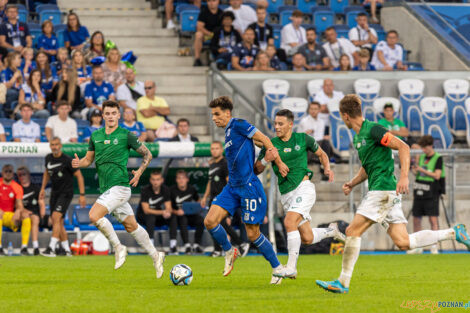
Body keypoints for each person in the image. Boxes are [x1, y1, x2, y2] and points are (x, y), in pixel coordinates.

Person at [315, 94, 470, 294]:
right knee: (403, 242)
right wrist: (352, 183)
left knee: (352, 232)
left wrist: (405, 176)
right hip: (385, 192)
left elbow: (403, 147)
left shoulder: (374, 129)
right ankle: (453, 232)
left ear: (345, 116)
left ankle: (343, 282)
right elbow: (367, 166)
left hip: (383, 190)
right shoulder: (359, 136)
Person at [71, 100, 165, 277]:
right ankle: (156, 254)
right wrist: (79, 163)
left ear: (119, 115)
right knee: (131, 226)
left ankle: (118, 247)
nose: (110, 116)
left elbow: (148, 154)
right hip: (106, 189)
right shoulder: (95, 136)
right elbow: (88, 160)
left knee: (94, 215)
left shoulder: (126, 135)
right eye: (107, 113)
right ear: (102, 115)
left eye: (114, 113)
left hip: (121, 187)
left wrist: (139, 173)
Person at [204, 96, 289, 284]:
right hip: (232, 187)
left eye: (217, 114)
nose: (214, 118)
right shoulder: (227, 133)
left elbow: (264, 139)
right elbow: (255, 152)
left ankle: (277, 268)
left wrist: (279, 162)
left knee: (252, 234)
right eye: (212, 115)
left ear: (228, 113)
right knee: (210, 221)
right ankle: (230, 251)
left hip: (249, 187)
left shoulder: (239, 124)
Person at [254, 109, 344, 279]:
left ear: (290, 124)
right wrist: (266, 159)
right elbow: (256, 169)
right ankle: (331, 231)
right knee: (307, 238)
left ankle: (291, 267)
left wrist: (327, 168)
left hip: (304, 188)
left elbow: (322, 154)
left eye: (280, 124)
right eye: (275, 123)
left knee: (289, 222)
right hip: (286, 195)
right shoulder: (270, 144)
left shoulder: (303, 139)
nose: (277, 127)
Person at [201, 141, 250, 257]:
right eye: (212, 148)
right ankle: (218, 249)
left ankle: (241, 244)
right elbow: (210, 182)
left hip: (223, 198)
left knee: (222, 223)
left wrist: (231, 199)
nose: (214, 150)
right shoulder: (212, 164)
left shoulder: (225, 163)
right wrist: (204, 197)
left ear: (221, 150)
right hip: (213, 198)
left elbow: (230, 182)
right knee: (212, 223)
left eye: (217, 148)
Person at [40, 137, 86, 257]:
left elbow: (79, 176)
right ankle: (67, 250)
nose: (54, 147)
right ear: (50, 146)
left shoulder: (67, 160)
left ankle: (51, 248)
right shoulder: (48, 158)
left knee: (55, 217)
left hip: (66, 193)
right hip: (54, 193)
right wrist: (42, 188)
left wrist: (82, 195)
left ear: (60, 145)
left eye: (56, 144)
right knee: (58, 222)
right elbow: (46, 173)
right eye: (52, 145)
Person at [409, 135, 446, 255]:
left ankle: (434, 246)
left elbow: (437, 175)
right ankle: (417, 246)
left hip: (432, 192)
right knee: (416, 219)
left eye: (425, 148)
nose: (423, 150)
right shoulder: (421, 157)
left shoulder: (438, 158)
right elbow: (416, 172)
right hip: (419, 190)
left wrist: (421, 169)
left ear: (430, 146)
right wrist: (413, 165)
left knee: (433, 219)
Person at [169, 170, 204, 255]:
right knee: (183, 219)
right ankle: (187, 246)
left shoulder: (192, 189)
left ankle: (196, 245)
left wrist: (200, 205)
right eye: (179, 178)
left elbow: (198, 201)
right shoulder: (171, 190)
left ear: (187, 179)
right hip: (177, 215)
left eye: (183, 178)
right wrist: (177, 211)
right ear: (176, 180)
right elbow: (168, 208)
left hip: (190, 214)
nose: (181, 180)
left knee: (201, 220)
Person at [0, 164, 31, 256]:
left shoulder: (17, 186)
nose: (8, 173)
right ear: (2, 173)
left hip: (11, 217)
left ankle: (24, 247)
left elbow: (19, 204)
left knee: (25, 216)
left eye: (10, 171)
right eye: (6, 171)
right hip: (0, 215)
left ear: (13, 174)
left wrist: (18, 211)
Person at [136, 171, 172, 248]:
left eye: (158, 179)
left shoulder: (165, 189)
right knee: (150, 217)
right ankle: (150, 246)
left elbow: (168, 207)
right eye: (153, 179)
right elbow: (146, 210)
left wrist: (167, 212)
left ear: (162, 180)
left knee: (173, 217)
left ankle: (173, 245)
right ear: (150, 180)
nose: (155, 182)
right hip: (143, 217)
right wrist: (163, 212)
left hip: (157, 216)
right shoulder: (145, 190)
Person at [298, 101, 336, 170]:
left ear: (319, 110)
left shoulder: (321, 122)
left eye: (315, 109)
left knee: (325, 141)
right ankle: (328, 162)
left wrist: (323, 137)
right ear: (309, 110)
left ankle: (325, 165)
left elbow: (319, 137)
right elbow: (298, 139)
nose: (313, 111)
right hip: (306, 148)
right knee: (324, 142)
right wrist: (305, 135)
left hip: (317, 146)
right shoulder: (304, 121)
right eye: (311, 109)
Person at [17, 166, 45, 255]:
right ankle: (24, 247)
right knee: (26, 216)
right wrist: (24, 210)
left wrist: (43, 209)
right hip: (21, 213)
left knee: (36, 219)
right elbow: (18, 204)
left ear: (28, 175)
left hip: (34, 212)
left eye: (24, 174)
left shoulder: (36, 188)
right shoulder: (17, 188)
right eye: (20, 175)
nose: (22, 176)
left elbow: (41, 201)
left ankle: (36, 247)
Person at [193, 0, 223, 66]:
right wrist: (210, 34)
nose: (211, 3)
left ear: (218, 1)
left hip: (219, 36)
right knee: (198, 35)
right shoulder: (204, 12)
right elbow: (199, 27)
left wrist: (216, 35)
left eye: (214, 1)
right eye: (209, 1)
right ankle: (197, 59)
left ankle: (221, 60)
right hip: (207, 35)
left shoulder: (221, 13)